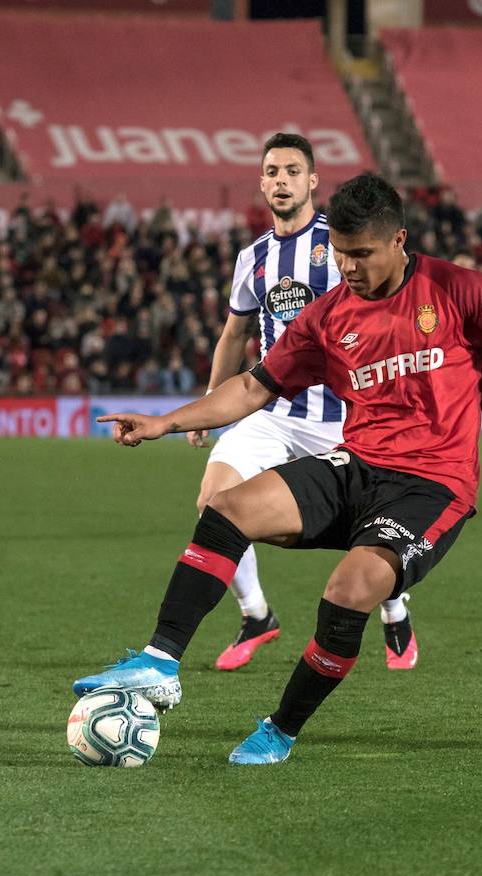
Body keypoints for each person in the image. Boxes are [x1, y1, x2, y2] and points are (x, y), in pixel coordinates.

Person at [74, 173, 482, 765]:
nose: (347, 267)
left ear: (399, 240)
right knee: (226, 508)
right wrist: (165, 422)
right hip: (355, 465)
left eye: (361, 254)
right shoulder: (327, 317)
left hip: (432, 488)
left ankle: (281, 728)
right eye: (341, 254)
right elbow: (252, 387)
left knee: (348, 592)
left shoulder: (459, 289)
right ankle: (161, 662)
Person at [184, 132, 359, 672]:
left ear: (312, 181)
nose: (281, 180)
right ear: (262, 183)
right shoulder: (253, 258)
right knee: (214, 503)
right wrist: (213, 405)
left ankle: (398, 609)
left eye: (291, 171)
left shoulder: (345, 245)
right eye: (272, 172)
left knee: (371, 522)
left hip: (344, 415)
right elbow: (234, 336)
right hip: (273, 411)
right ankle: (257, 614)